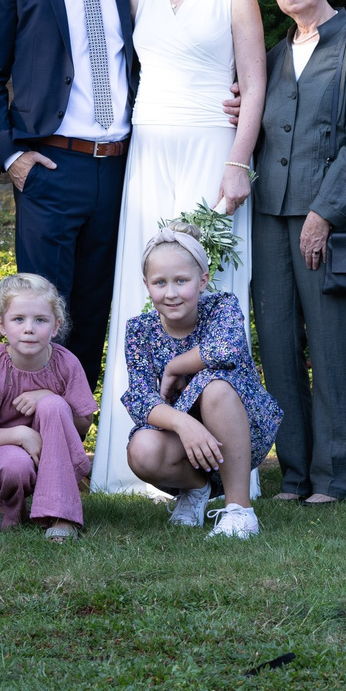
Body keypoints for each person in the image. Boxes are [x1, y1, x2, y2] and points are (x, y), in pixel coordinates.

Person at [91, 0, 267, 495]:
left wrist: (239, 160)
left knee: (210, 286)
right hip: (149, 152)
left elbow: (254, 80)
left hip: (209, 150)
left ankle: (223, 461)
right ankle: (139, 455)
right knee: (148, 289)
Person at [0, 0, 144, 387]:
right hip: (49, 166)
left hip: (117, 168)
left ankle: (77, 428)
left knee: (97, 305)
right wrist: (11, 156)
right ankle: (36, 429)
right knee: (42, 309)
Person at [250, 0, 346, 506]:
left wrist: (325, 213)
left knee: (330, 347)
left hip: (323, 220)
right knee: (277, 346)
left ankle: (333, 477)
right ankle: (296, 474)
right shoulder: (271, 56)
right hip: (265, 216)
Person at [120, 229, 279, 540]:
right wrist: (183, 423)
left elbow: (227, 348)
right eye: (159, 283)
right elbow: (139, 398)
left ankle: (239, 512)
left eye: (182, 281)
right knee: (142, 449)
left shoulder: (221, 307)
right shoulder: (140, 330)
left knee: (215, 385)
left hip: (243, 429)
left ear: (203, 281)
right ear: (146, 285)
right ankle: (195, 489)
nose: (171, 293)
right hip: (188, 441)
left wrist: (175, 366)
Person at [0, 272, 97, 539]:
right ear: (2, 325)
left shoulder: (66, 363)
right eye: (18, 319)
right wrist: (23, 436)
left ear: (56, 326)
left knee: (53, 406)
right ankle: (9, 506)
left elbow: (85, 423)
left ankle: (61, 515)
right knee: (15, 465)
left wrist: (47, 395)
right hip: (8, 453)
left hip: (56, 450)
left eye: (40, 320)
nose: (29, 329)